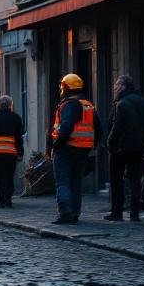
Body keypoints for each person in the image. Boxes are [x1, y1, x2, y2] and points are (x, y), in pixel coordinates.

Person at [48, 73, 99, 224]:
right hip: (83, 149)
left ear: (66, 88)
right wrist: (92, 145)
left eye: (61, 87)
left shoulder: (69, 105)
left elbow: (66, 128)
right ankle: (75, 213)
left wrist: (55, 146)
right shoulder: (88, 105)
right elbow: (99, 128)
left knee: (63, 182)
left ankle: (65, 213)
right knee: (76, 182)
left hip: (66, 148)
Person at [107, 75, 144, 222]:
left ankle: (117, 212)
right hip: (138, 147)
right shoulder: (143, 102)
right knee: (135, 179)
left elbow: (117, 126)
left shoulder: (121, 103)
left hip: (120, 148)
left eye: (117, 85)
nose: (114, 88)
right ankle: (135, 213)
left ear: (124, 87)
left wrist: (110, 142)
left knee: (117, 180)